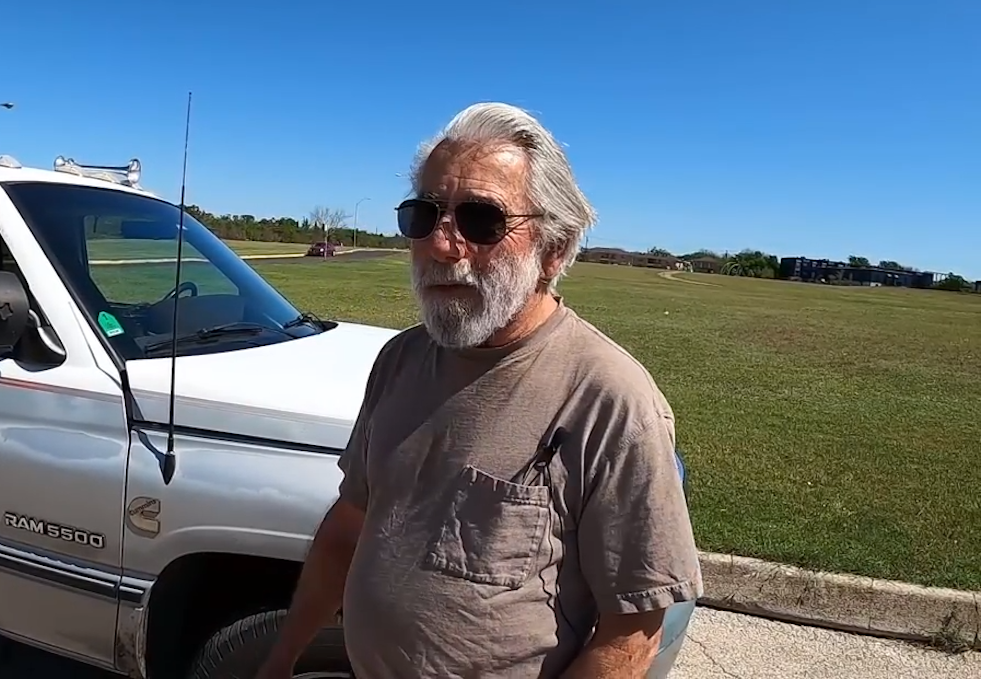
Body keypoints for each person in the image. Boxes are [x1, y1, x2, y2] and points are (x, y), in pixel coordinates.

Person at [258, 102, 702, 678]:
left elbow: (632, 633)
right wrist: (281, 657)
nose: (442, 246)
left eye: (481, 220)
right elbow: (348, 525)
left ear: (554, 251)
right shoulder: (400, 360)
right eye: (424, 215)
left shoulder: (611, 400)